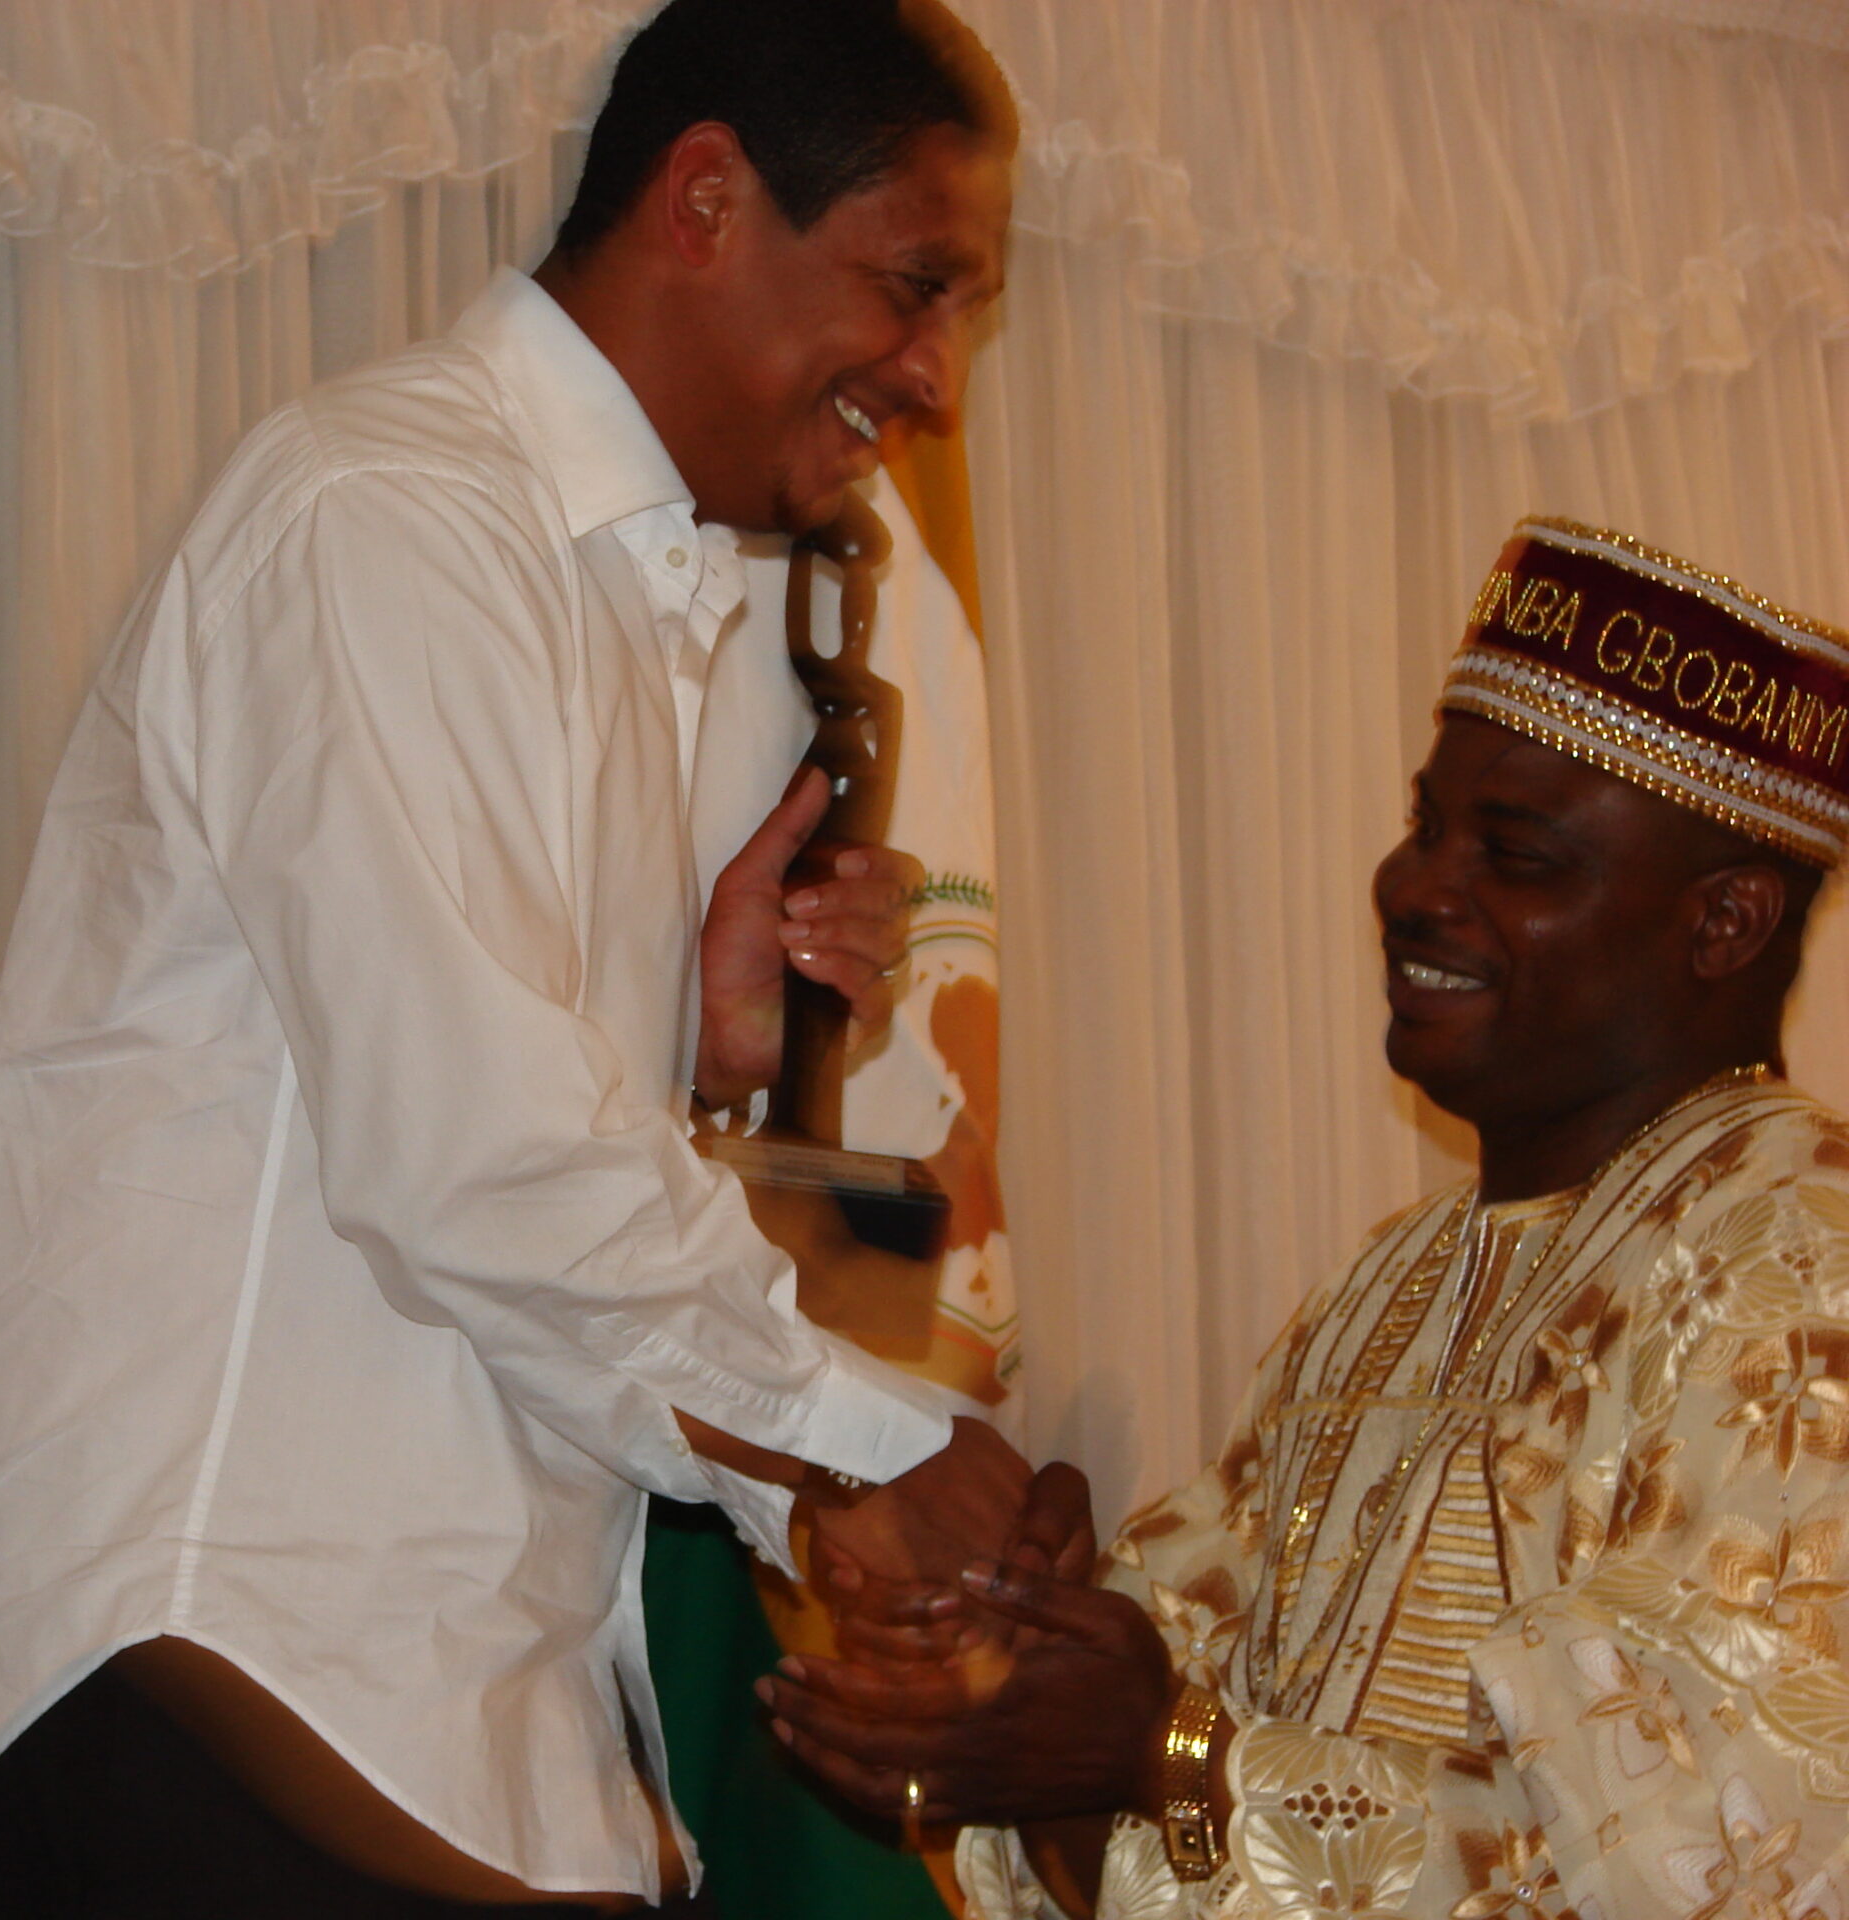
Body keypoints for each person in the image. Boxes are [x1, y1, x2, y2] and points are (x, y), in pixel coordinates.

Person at [0, 3, 1029, 1913]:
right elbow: (477, 1160)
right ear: (707, 200)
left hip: (440, 1731)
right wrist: (859, 1447)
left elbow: (505, 1155)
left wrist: (706, 1060)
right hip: (217, 1680)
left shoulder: (648, 609)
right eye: (916, 288)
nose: (934, 381)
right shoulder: (393, 514)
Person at [763, 517, 1849, 1920]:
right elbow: (1174, 1721)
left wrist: (1154, 1749)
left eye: (1512, 854)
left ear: (1725, 923)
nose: (1416, 887)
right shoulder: (1393, 1278)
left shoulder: (1803, 1270)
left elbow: (1717, 1856)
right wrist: (1017, 1633)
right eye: (1426, 825)